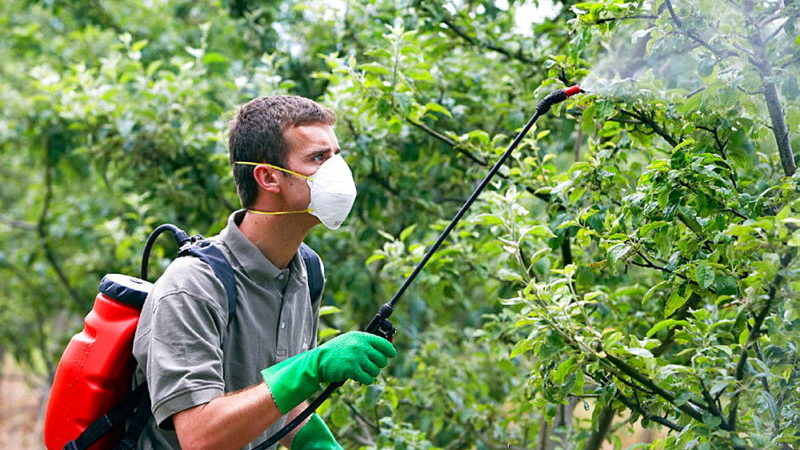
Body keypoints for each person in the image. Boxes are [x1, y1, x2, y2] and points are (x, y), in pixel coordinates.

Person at [132, 95, 396, 449]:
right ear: (269, 177)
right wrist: (313, 367)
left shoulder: (307, 271)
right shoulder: (192, 285)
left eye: (336, 155)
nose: (338, 171)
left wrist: (316, 443)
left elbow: (275, 399)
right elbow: (200, 437)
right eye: (318, 158)